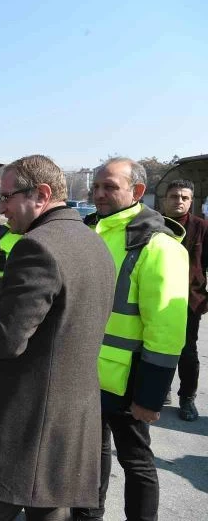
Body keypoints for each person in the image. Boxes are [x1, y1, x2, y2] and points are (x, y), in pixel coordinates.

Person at [0, 155, 116, 521]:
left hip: (26, 426)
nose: (1, 207)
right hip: (70, 419)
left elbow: (8, 338)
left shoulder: (37, 246)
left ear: (41, 194)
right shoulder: (93, 241)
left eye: (7, 196)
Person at [73, 158, 188, 521]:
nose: (99, 194)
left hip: (128, 381)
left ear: (137, 191)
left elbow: (166, 330)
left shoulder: (159, 245)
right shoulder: (90, 230)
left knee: (136, 462)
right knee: (91, 457)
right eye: (96, 187)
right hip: (85, 374)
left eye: (110, 187)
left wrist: (151, 395)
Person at [161, 179, 208, 421]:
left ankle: (187, 398)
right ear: (165, 199)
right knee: (154, 347)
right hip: (155, 298)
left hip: (188, 302)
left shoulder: (202, 228)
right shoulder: (151, 225)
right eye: (174, 196)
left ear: (191, 201)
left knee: (187, 352)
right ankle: (161, 391)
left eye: (184, 197)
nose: (179, 201)